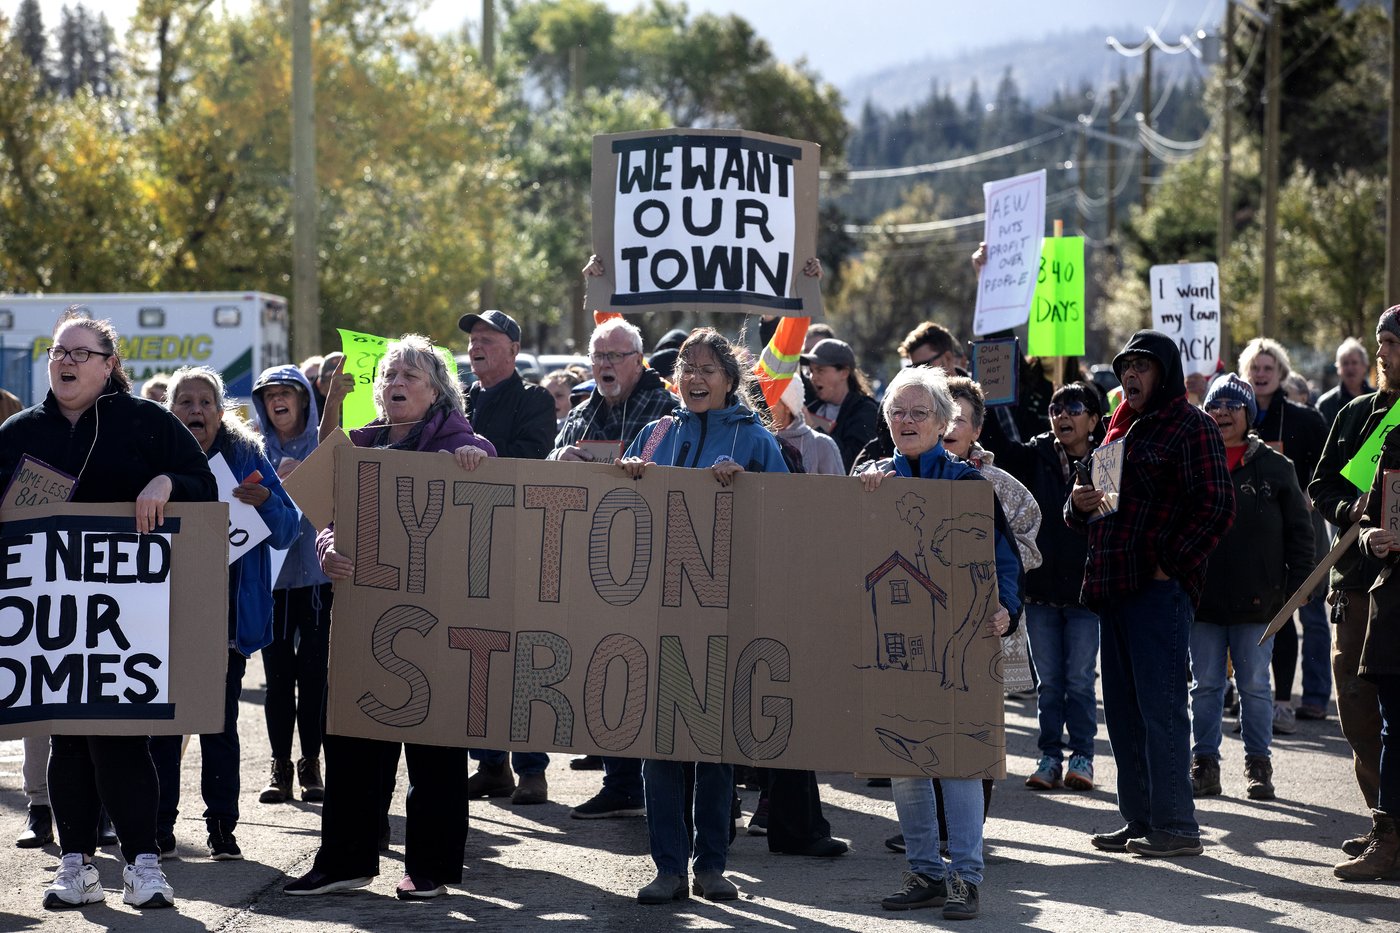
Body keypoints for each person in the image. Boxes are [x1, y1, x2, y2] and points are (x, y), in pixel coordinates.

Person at [0, 309, 216, 910]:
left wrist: (167, 482)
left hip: (128, 623)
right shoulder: (19, 433)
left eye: (80, 352)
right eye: (58, 351)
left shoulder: (146, 423)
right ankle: (76, 867)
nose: (65, 361)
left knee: (121, 741)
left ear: (109, 365)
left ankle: (144, 867)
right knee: (67, 740)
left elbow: (204, 488)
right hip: (53, 626)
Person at [284, 334, 496, 900]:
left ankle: (429, 869)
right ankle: (346, 863)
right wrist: (329, 547)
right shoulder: (358, 446)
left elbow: (496, 512)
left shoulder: (464, 446)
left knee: (436, 751)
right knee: (354, 743)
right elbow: (334, 518)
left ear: (437, 390)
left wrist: (477, 464)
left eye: (410, 376)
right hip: (368, 619)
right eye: (389, 376)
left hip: (440, 626)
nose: (396, 384)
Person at [619, 328, 789, 904]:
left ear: (730, 381)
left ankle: (711, 866)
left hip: (726, 614)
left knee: (715, 751)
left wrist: (748, 489)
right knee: (660, 746)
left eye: (708, 369)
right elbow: (621, 513)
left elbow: (787, 514)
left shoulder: (753, 439)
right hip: (656, 613)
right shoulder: (653, 433)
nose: (694, 376)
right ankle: (668, 868)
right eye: (686, 367)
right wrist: (626, 475)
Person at [859, 366, 1022, 921]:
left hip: (962, 644)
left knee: (958, 759)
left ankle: (966, 878)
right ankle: (925, 872)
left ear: (943, 420)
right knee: (905, 761)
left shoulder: (969, 486)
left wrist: (1008, 608)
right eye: (897, 412)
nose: (906, 421)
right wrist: (865, 498)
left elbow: (1006, 561)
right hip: (900, 646)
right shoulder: (872, 480)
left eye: (918, 412)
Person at [1071, 329, 1234, 858]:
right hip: (1113, 588)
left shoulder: (1193, 426)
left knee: (1162, 708)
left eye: (1142, 366)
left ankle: (1177, 826)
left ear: (1164, 372)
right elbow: (1094, 511)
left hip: (1157, 592)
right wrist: (1078, 503)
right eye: (1125, 368)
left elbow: (1216, 507)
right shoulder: (1116, 430)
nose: (1130, 376)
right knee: (1122, 712)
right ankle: (1139, 818)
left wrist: (1169, 565)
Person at [151, 366, 298, 859]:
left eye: (205, 403)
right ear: (171, 412)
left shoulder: (244, 455)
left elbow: (286, 530)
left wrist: (266, 504)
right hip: (164, 619)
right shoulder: (153, 454)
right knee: (166, 728)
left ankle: (222, 830)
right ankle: (159, 828)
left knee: (218, 723)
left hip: (229, 622)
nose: (195, 411)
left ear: (220, 411)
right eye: (185, 402)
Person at [550, 317, 679, 817]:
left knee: (655, 672)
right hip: (600, 564)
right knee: (609, 668)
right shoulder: (581, 413)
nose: (604, 365)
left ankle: (668, 787)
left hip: (654, 560)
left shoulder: (667, 410)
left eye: (615, 356)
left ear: (638, 360)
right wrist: (561, 457)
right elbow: (548, 472)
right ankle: (621, 782)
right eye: (598, 356)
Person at [1188, 375, 1312, 803]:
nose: (1221, 412)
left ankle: (1259, 764)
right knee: (1204, 685)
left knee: (1255, 686)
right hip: (1200, 601)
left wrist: (1300, 585)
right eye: (1214, 405)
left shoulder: (1278, 468)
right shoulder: (1193, 461)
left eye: (1231, 405)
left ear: (1248, 414)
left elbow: (1301, 532)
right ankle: (1204, 763)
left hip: (1260, 602)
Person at [1310, 306, 1400, 861]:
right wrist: (1351, 510)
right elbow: (1320, 486)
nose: (1383, 352)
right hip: (1353, 585)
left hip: (1398, 589)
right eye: (1381, 341)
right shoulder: (1354, 415)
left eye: (1392, 342)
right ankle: (1383, 822)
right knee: (1358, 713)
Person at [459, 308, 558, 805]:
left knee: (523, 655)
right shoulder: (460, 399)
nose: (476, 346)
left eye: (488, 339)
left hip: (519, 542)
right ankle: (492, 764)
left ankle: (532, 769)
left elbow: (532, 453)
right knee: (482, 657)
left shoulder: (534, 399)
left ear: (514, 350)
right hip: (471, 544)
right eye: (473, 338)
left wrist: (476, 453)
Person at [996, 382, 1103, 793]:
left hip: (1085, 593)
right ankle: (1049, 757)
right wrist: (994, 388)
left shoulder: (1108, 460)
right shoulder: (1033, 455)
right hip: (1039, 592)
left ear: (1093, 419)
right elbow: (999, 445)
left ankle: (1082, 757)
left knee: (1078, 679)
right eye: (1056, 408)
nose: (1063, 416)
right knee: (1050, 683)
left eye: (1074, 408)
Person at [1239, 337, 1330, 733]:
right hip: (1247, 534)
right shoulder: (1232, 414)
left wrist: (1311, 494)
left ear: (1280, 373)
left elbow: (1331, 468)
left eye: (1268, 368)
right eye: (1255, 368)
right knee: (1247, 617)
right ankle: (1247, 701)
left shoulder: (1304, 419)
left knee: (1291, 613)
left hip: (1295, 530)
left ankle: (1284, 703)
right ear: (1246, 372)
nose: (1261, 374)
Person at [251, 365, 332, 805]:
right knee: (278, 678)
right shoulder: (252, 450)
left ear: (304, 398)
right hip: (274, 581)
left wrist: (308, 474)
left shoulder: (325, 442)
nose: (277, 400)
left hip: (318, 580)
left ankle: (311, 764)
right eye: (269, 395)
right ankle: (280, 767)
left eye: (287, 392)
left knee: (315, 676)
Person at [1342, 424, 1400, 880]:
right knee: (1393, 727)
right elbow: (1367, 520)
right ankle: (1389, 837)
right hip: (1396, 605)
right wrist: (1371, 538)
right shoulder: (1395, 441)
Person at [802, 337, 878, 473]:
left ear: (844, 372)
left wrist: (814, 427)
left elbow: (852, 463)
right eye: (811, 371)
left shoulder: (865, 411)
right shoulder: (813, 405)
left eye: (820, 370)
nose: (813, 377)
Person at [769, 374, 843, 476]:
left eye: (771, 399)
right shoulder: (760, 441)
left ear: (787, 408)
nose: (763, 405)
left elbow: (838, 490)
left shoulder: (821, 445)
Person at [1318, 337, 1373, 428]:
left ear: (1364, 366)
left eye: (1354, 363)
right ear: (1338, 369)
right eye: (1345, 363)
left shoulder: (1379, 399)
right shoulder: (1325, 405)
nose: (1350, 368)